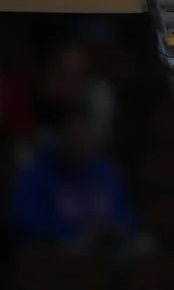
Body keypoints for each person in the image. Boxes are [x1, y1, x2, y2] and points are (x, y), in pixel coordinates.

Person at [9, 104, 138, 253]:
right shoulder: (38, 174)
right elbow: (22, 217)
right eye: (74, 136)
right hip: (59, 252)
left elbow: (127, 216)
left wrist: (112, 230)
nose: (80, 142)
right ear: (61, 138)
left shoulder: (107, 172)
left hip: (107, 251)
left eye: (85, 135)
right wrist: (73, 232)